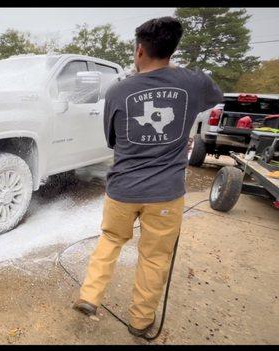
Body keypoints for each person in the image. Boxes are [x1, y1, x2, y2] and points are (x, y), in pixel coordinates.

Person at [72, 16, 223, 337]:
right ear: (172, 48)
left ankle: (89, 295)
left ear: (140, 50)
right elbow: (216, 96)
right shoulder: (193, 83)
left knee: (111, 239)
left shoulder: (118, 90)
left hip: (122, 188)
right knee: (154, 258)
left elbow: (111, 140)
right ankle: (140, 322)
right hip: (166, 194)